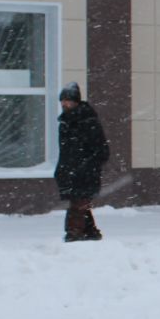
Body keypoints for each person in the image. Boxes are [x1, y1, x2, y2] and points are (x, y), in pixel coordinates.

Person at [55, 81, 108, 242]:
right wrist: (62, 170)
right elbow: (65, 152)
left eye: (68, 100)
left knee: (78, 204)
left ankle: (74, 233)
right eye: (62, 100)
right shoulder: (65, 123)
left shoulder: (88, 122)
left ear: (76, 101)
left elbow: (102, 151)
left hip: (85, 173)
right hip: (71, 171)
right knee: (79, 203)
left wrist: (86, 166)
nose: (64, 103)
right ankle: (90, 232)